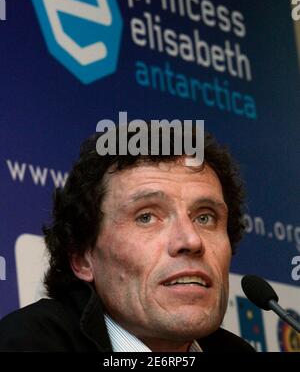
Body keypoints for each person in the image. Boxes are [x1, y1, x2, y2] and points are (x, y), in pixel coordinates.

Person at [0, 125, 255, 352]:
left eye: (205, 218)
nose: (191, 240)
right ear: (83, 259)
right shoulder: (27, 342)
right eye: (146, 217)